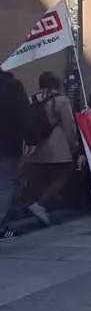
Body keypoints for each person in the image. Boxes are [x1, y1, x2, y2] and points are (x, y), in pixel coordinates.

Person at [22, 71, 79, 228]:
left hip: (36, 146)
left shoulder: (32, 99)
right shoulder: (61, 100)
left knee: (44, 182)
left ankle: (46, 214)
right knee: (62, 176)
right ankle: (40, 205)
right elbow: (69, 126)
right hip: (58, 147)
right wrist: (74, 144)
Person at [0, 71, 29, 240]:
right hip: (7, 144)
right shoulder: (12, 86)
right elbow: (23, 114)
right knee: (5, 184)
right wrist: (29, 139)